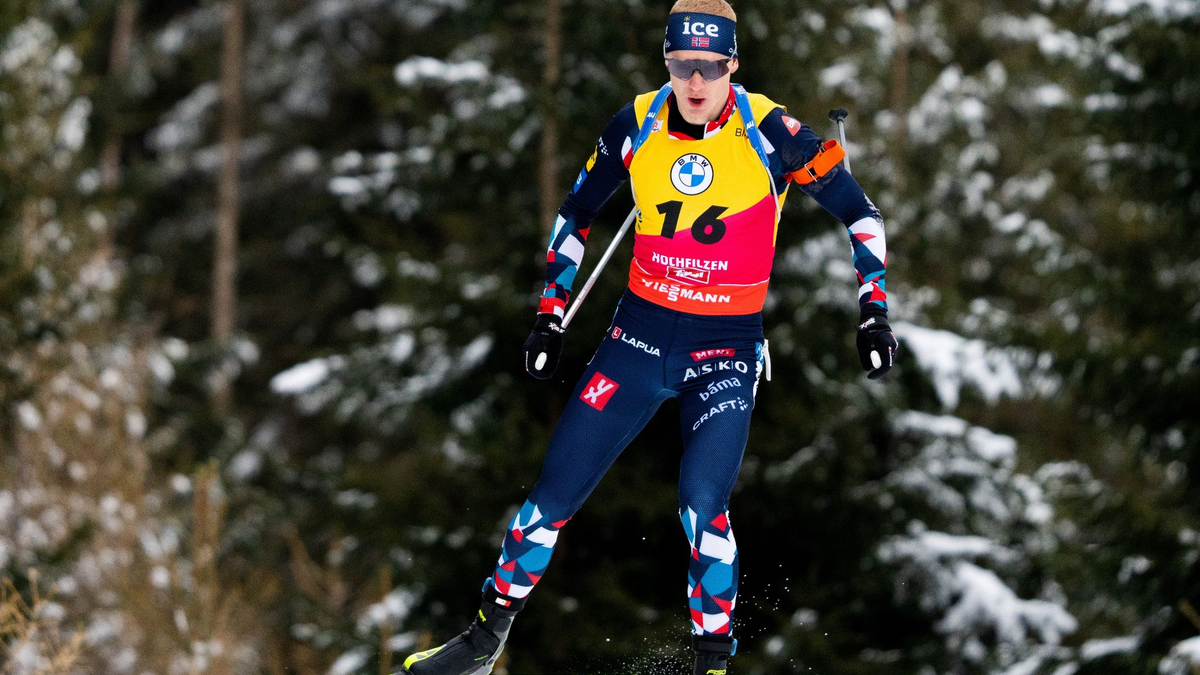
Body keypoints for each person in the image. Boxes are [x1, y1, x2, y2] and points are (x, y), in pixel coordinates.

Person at [398, 0, 897, 673]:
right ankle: (483, 639)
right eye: (683, 65)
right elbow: (577, 214)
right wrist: (551, 312)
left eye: (711, 67)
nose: (696, 83)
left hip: (723, 348)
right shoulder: (636, 123)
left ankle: (710, 666)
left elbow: (861, 215)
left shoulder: (772, 131)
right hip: (636, 338)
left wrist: (873, 311)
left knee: (701, 505)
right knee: (550, 494)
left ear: (733, 66)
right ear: (667, 61)